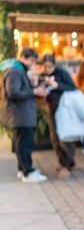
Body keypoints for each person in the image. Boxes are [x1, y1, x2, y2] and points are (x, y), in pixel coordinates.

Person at [0, 48, 49, 182]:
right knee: (25, 144)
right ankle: (28, 172)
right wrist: (34, 92)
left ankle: (23, 170)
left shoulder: (17, 70)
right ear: (23, 57)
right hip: (20, 115)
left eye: (34, 61)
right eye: (31, 61)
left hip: (21, 114)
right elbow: (13, 93)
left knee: (21, 142)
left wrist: (35, 90)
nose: (32, 64)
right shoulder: (15, 72)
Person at [40, 54, 77, 180]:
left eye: (49, 66)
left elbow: (73, 88)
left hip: (64, 108)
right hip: (51, 107)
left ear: (54, 65)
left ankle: (67, 164)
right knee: (54, 137)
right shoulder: (42, 76)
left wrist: (57, 86)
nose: (47, 69)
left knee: (65, 136)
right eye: (45, 66)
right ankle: (63, 162)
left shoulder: (61, 73)